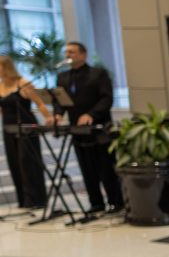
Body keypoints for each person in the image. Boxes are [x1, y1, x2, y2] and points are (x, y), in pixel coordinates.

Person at [54, 41, 123, 214]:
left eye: (72, 52)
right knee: (86, 167)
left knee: (106, 167)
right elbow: (60, 101)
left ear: (83, 55)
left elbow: (107, 99)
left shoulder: (97, 74)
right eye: (66, 52)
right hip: (77, 130)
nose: (68, 55)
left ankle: (115, 201)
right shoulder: (63, 77)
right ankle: (96, 203)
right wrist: (58, 114)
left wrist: (91, 114)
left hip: (99, 128)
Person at [0, 55, 53, 209]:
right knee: (14, 163)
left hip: (27, 126)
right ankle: (23, 200)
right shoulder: (1, 85)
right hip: (8, 128)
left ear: (6, 67)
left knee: (27, 162)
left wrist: (48, 118)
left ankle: (35, 199)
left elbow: (40, 103)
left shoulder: (22, 83)